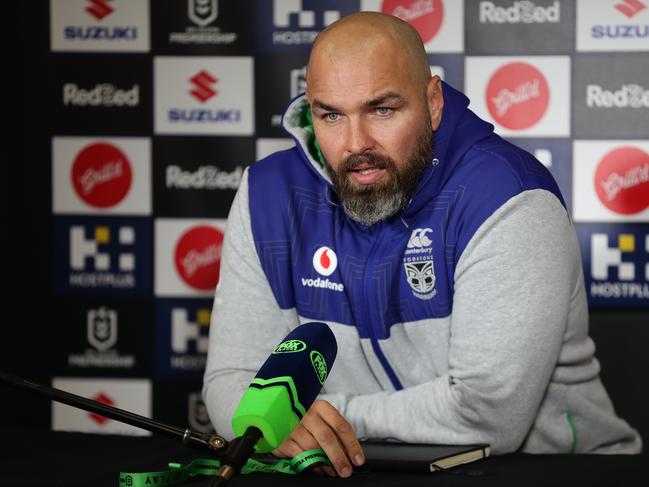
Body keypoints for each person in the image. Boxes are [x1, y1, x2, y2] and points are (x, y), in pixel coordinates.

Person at [203, 11, 642, 478]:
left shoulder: (508, 195)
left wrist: (320, 420)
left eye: (382, 110)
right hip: (360, 470)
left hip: (555, 469)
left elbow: (488, 415)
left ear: (433, 102)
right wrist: (289, 423)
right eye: (331, 115)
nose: (356, 144)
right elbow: (229, 381)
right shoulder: (269, 195)